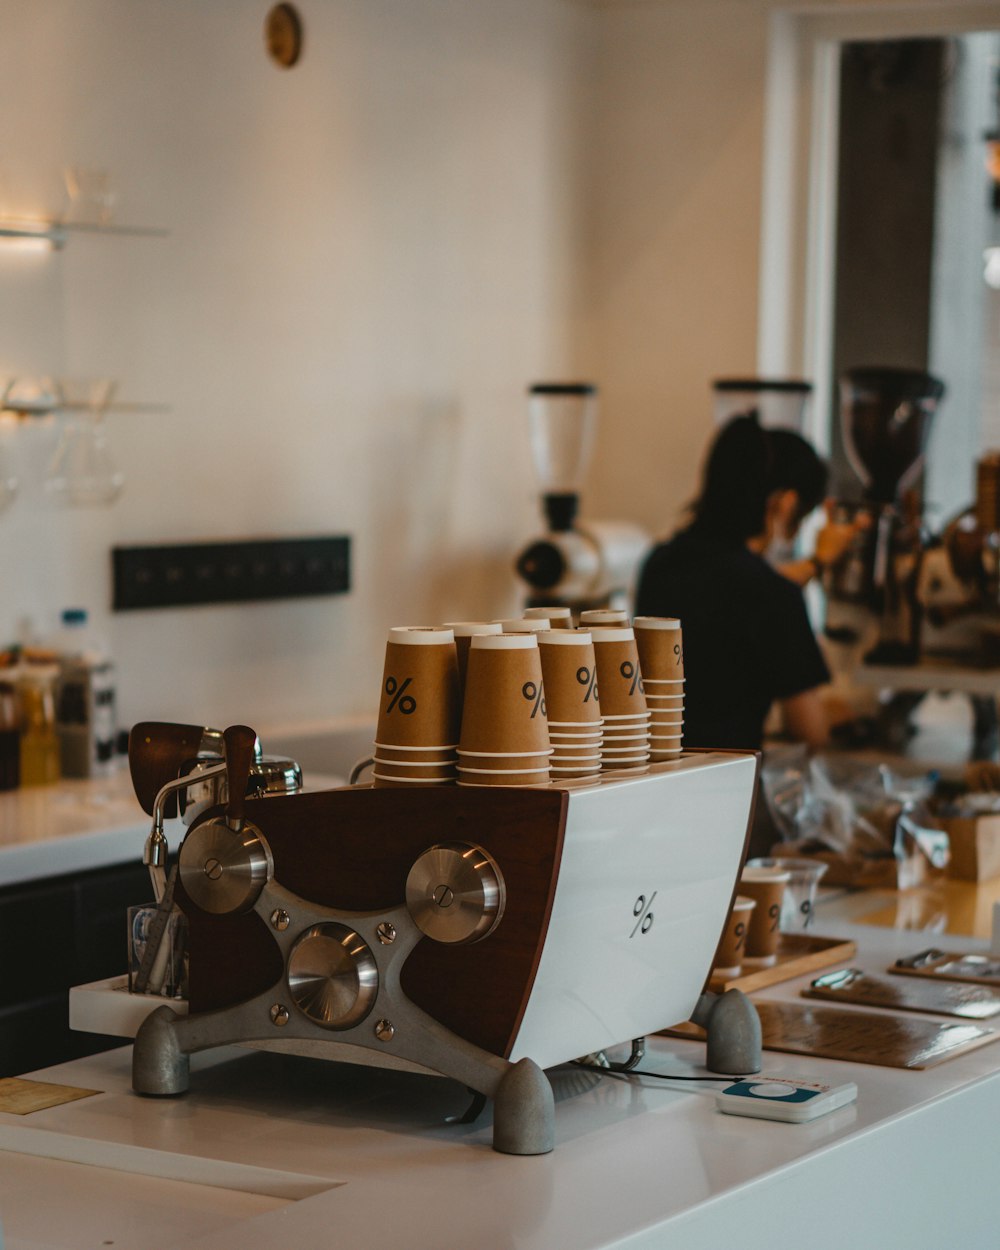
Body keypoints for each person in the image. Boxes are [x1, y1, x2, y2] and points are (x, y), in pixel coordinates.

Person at [635, 415, 852, 754]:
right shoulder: (771, 595)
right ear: (786, 503)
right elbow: (811, 733)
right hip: (725, 788)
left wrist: (817, 563)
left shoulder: (659, 563)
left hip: (651, 773)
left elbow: (729, 586)